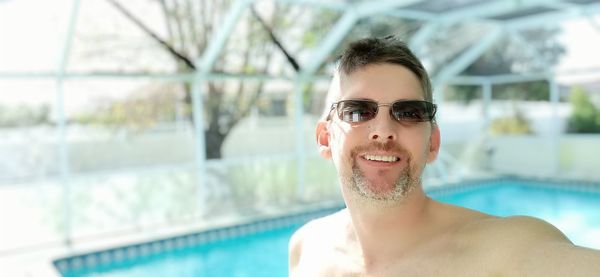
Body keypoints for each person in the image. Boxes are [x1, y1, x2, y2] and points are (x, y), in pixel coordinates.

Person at [288, 36, 600, 276]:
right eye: (357, 111)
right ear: (325, 138)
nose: (383, 130)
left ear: (433, 143)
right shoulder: (306, 249)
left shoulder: (503, 252)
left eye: (409, 112)